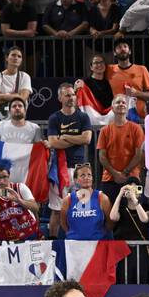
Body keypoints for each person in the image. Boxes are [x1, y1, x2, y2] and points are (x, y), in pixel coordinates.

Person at [46, 82, 94, 222]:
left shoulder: (83, 117)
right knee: (57, 210)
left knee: (82, 209)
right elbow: (54, 142)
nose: (71, 97)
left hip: (80, 169)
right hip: (59, 169)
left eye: (73, 94)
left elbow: (87, 139)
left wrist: (65, 137)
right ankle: (54, 241)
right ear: (60, 98)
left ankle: (80, 238)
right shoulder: (54, 118)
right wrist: (77, 139)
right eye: (67, 95)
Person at [0, 46, 32, 119]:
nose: (16, 58)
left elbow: (22, 98)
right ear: (7, 58)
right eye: (13, 55)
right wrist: (14, 95)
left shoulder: (25, 76)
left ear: (21, 60)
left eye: (19, 56)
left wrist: (2, 97)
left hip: (17, 115)